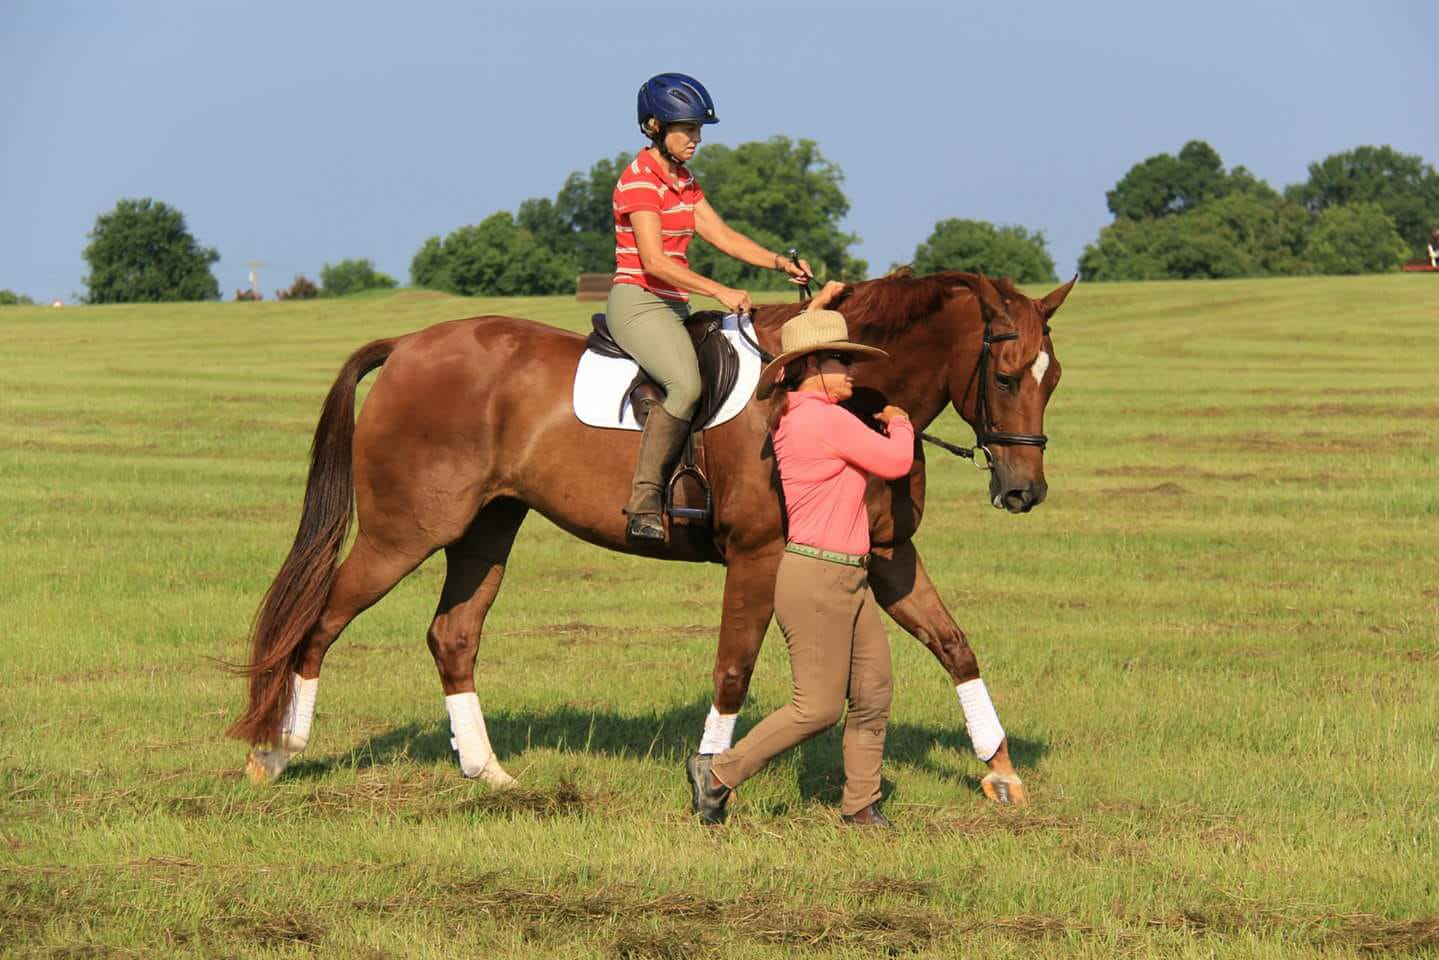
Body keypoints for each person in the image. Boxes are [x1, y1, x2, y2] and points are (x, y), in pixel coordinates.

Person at [686, 285, 914, 827]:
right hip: (818, 578)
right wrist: (900, 420)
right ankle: (718, 772)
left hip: (848, 577)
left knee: (874, 690)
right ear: (812, 365)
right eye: (843, 361)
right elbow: (896, 462)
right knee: (817, 708)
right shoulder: (823, 420)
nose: (853, 372)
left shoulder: (810, 415)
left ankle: (861, 804)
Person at [609, 73, 813, 540]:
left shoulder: (683, 180)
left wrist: (780, 262)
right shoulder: (639, 181)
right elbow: (655, 262)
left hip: (673, 305)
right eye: (688, 129)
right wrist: (719, 291)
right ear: (655, 126)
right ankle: (645, 498)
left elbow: (722, 236)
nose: (696, 139)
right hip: (639, 302)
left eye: (700, 130)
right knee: (684, 385)